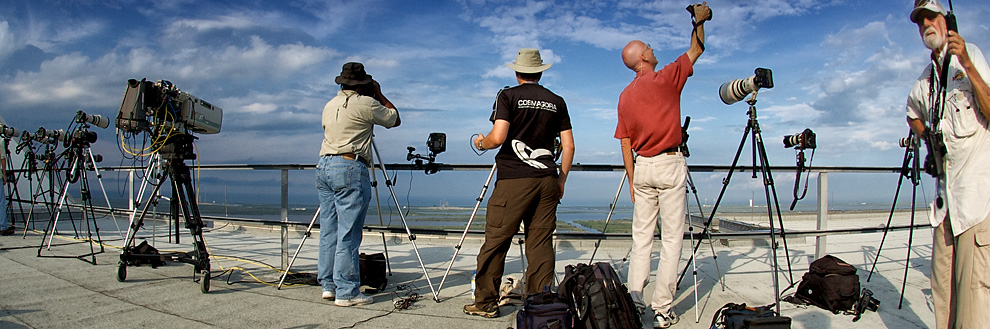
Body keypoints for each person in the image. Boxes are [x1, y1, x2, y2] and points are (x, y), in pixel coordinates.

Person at [614, 2, 710, 328]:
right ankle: (662, 308)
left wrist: (631, 179)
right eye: (650, 48)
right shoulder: (667, 77)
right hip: (669, 163)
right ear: (643, 58)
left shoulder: (624, 96)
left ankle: (634, 300)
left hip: (641, 168)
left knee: (641, 240)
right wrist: (699, 21)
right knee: (671, 241)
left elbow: (625, 142)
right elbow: (697, 48)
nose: (654, 50)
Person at [463, 48, 574, 318]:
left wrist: (481, 142)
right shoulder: (557, 101)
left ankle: (485, 303)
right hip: (547, 179)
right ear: (540, 71)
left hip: (514, 179)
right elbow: (568, 146)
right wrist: (561, 180)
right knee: (540, 244)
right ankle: (541, 306)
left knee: (497, 240)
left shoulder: (508, 95)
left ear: (517, 71)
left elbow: (499, 136)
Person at [905, 1, 990, 328]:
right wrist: (928, 139)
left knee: (974, 299)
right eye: (920, 19)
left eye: (932, 16)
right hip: (944, 209)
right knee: (944, 297)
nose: (926, 23)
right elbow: (911, 114)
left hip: (975, 203)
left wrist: (966, 61)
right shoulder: (924, 80)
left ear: (947, 19)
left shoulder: (972, 57)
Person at [317, 62, 400, 307]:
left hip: (323, 165)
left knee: (328, 230)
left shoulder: (329, 105)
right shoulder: (367, 103)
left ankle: (328, 285)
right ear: (363, 85)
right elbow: (394, 119)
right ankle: (347, 292)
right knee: (349, 233)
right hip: (350, 166)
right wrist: (379, 93)